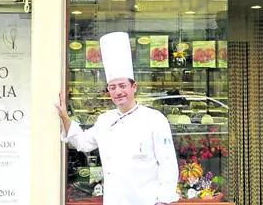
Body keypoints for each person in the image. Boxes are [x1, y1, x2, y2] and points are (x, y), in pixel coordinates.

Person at [56, 32, 179, 205]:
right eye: (112, 87)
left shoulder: (154, 119)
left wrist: (163, 200)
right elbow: (83, 143)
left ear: (134, 87)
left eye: (122, 86)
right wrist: (64, 117)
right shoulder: (105, 120)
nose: (118, 92)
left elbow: (168, 164)